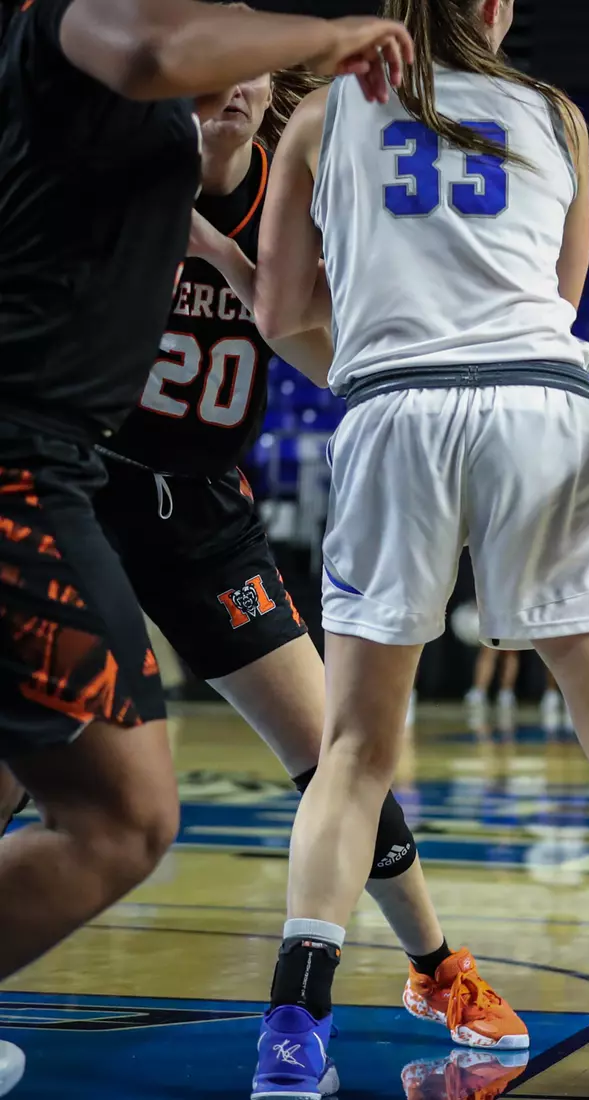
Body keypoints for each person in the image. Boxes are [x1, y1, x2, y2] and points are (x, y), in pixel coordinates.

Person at [248, 2, 589, 1097]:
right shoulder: (556, 114)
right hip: (537, 405)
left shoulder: (316, 114)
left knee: (356, 747)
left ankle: (292, 1025)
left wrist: (374, 373)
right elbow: (557, 301)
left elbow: (278, 309)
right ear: (497, 6)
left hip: (390, 412)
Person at [0, 1, 411, 1095]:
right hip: (31, 464)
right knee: (123, 814)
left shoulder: (255, 170)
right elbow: (157, 49)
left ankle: (432, 956)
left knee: (69, 780)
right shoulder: (91, 32)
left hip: (130, 486)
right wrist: (315, 40)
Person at [88, 63, 530, 1060]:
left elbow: (342, 365)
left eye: (245, 75)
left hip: (207, 513)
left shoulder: (298, 206)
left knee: (342, 756)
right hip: (90, 487)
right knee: (29, 754)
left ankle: (436, 966)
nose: (227, 91)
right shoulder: (113, 184)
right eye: (206, 72)